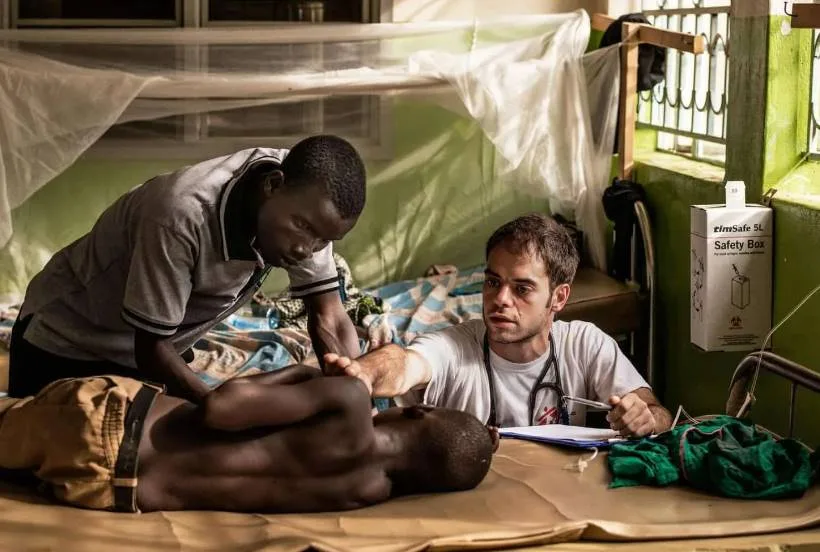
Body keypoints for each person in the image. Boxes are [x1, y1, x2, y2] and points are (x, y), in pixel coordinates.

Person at [9, 135, 367, 402]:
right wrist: (214, 407)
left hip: (150, 351)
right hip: (66, 344)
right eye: (302, 227)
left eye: (323, 240)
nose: (306, 250)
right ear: (272, 185)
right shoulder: (180, 216)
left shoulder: (309, 200)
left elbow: (329, 316)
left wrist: (356, 387)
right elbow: (151, 347)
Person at [325, 213, 673, 438]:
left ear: (559, 297)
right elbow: (403, 363)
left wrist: (644, 419)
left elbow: (660, 415)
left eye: (522, 289)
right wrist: (364, 372)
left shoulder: (585, 344)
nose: (500, 299)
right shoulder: (455, 348)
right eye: (493, 282)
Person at [0, 366, 497, 513]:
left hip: (109, 425)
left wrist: (302, 373)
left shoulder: (349, 400)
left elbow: (220, 408)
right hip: (107, 492)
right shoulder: (363, 494)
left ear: (419, 409)